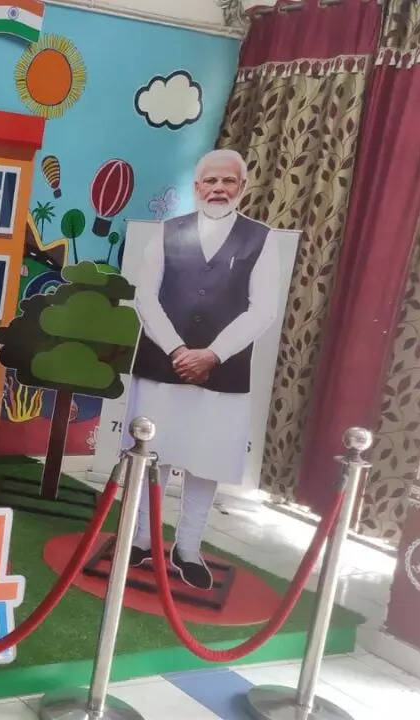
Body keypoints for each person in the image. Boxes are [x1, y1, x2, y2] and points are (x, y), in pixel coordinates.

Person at [124, 148, 281, 590]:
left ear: (242, 187)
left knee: (206, 460)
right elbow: (146, 298)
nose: (218, 189)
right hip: (162, 361)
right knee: (152, 453)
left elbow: (263, 308)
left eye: (228, 181)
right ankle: (141, 538)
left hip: (223, 370)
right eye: (210, 181)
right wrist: (178, 349)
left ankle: (188, 548)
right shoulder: (167, 232)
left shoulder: (261, 239)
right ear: (196, 187)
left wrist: (213, 353)